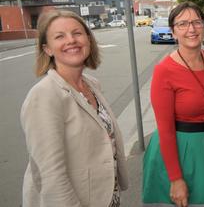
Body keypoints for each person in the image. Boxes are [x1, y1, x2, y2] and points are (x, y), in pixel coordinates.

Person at [21, 10, 129, 207]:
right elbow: (51, 175)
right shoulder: (44, 96)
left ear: (88, 39)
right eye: (59, 36)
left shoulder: (92, 85)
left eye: (77, 33)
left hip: (105, 197)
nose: (71, 40)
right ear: (48, 49)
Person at [142, 1, 204, 207]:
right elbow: (165, 130)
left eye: (196, 22)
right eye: (183, 24)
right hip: (179, 151)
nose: (191, 29)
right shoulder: (164, 71)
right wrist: (176, 179)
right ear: (173, 32)